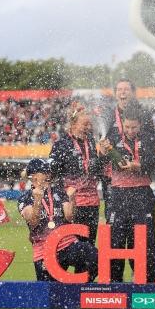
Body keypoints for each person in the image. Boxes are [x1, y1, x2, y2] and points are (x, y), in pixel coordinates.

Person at [100, 107, 155, 282]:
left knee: (145, 238)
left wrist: (137, 165)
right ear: (123, 125)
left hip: (142, 193)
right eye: (127, 127)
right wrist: (103, 152)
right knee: (116, 237)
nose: (130, 130)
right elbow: (100, 163)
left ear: (140, 125)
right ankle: (114, 281)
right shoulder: (113, 138)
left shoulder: (148, 139)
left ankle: (146, 279)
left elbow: (152, 163)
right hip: (118, 193)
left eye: (134, 127)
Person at [18, 159, 98, 282]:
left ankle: (79, 287)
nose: (49, 174)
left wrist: (72, 199)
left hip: (68, 244)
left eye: (48, 171)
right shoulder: (25, 198)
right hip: (45, 252)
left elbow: (69, 217)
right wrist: (38, 201)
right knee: (50, 291)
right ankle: (73, 288)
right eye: (45, 172)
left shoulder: (58, 191)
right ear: (34, 176)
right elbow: (33, 222)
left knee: (96, 257)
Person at [49, 100, 103, 245]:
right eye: (85, 124)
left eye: (89, 124)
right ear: (73, 124)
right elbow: (52, 172)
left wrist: (102, 156)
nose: (88, 128)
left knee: (89, 245)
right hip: (72, 203)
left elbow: (95, 170)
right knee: (72, 245)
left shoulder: (90, 142)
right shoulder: (62, 144)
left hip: (92, 203)